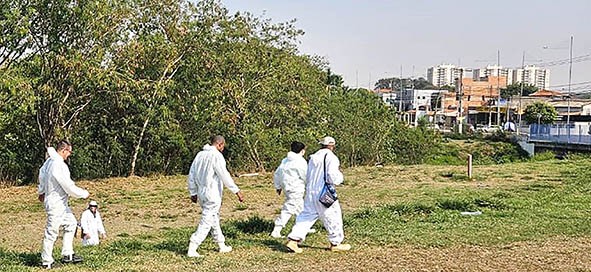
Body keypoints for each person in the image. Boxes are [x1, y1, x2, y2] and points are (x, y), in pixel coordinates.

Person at [286, 136, 351, 253]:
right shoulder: (331, 157)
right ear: (332, 145)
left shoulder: (313, 157)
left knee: (306, 216)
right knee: (333, 216)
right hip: (324, 191)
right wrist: (340, 179)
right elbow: (332, 176)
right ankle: (335, 243)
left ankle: (293, 240)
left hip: (311, 191)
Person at [187, 135, 244, 257]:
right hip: (212, 192)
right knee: (207, 220)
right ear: (220, 144)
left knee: (213, 217)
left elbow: (191, 174)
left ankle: (221, 244)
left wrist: (193, 192)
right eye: (223, 146)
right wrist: (236, 190)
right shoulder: (216, 156)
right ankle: (193, 246)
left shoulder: (200, 155)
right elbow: (224, 175)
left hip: (201, 192)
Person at [37, 139, 90, 269]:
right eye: (69, 152)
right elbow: (68, 185)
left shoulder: (49, 161)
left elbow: (42, 174)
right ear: (64, 150)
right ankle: (46, 261)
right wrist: (83, 193)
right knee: (52, 232)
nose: (69, 155)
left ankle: (68, 254)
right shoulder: (58, 165)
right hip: (56, 204)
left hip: (60, 203)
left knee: (71, 223)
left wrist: (42, 191)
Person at [271, 141, 308, 238]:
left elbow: (277, 173)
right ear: (302, 151)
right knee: (288, 209)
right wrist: (309, 185)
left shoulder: (285, 160)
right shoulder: (300, 161)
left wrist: (278, 186)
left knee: (300, 209)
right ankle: (276, 229)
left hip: (287, 188)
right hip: (296, 189)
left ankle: (304, 227)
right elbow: (305, 176)